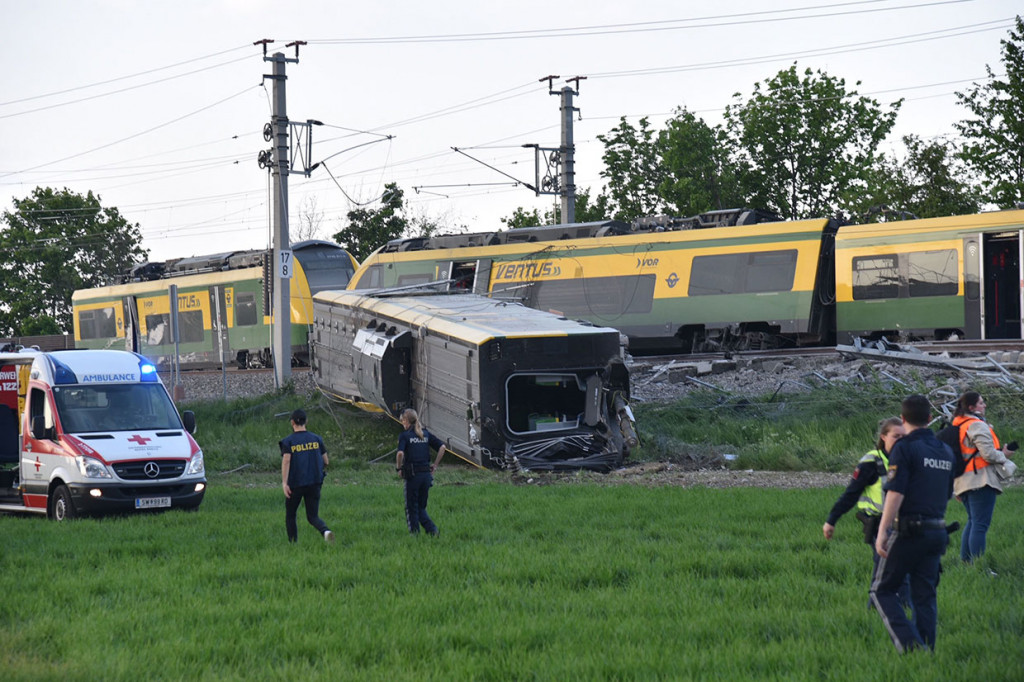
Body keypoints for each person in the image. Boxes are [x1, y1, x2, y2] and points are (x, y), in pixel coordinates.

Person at [870, 394, 955, 653]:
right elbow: (948, 492)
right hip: (937, 530)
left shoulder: (904, 448)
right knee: (925, 596)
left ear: (903, 419)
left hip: (909, 531)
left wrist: (883, 531)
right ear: (930, 419)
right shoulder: (945, 450)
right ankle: (927, 651)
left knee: (881, 591)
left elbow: (895, 492)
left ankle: (911, 646)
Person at [823, 417, 907, 593]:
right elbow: (851, 494)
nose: (901, 441)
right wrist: (832, 520)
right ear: (883, 437)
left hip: (904, 524)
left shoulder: (907, 459)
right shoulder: (871, 462)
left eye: (903, 436)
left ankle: (887, 607)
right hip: (879, 524)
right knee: (889, 571)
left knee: (897, 572)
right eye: (896, 436)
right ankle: (883, 606)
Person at [951, 391, 1016, 564]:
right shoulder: (976, 425)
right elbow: (987, 454)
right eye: (981, 402)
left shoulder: (957, 425)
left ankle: (966, 563)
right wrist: (1004, 457)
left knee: (973, 522)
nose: (984, 405)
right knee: (980, 525)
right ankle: (979, 566)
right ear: (971, 407)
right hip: (980, 480)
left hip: (962, 480)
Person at [280, 409, 334, 544]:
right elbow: (326, 461)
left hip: (296, 483)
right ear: (306, 421)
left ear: (292, 422)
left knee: (291, 515)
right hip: (315, 482)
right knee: (312, 516)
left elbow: (286, 460)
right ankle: (325, 531)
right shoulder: (316, 439)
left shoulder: (288, 441)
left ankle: (293, 543)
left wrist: (284, 483)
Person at [396, 408, 447, 536]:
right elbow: (442, 447)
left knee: (411, 507)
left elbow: (400, 453)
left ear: (406, 421)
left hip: (413, 476)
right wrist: (435, 465)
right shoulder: (425, 434)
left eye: (402, 421)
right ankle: (432, 531)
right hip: (426, 476)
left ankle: (415, 535)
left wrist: (399, 468)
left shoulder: (405, 436)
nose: (402, 424)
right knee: (420, 507)